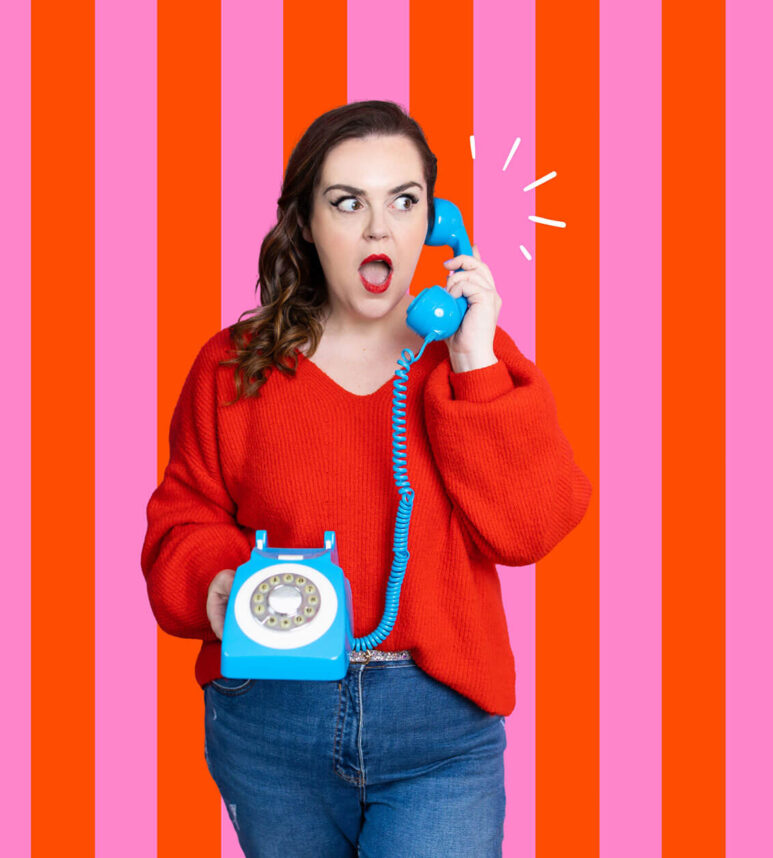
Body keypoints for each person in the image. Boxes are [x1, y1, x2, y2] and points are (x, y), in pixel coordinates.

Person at [140, 100, 591, 857]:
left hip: (437, 725)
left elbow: (530, 529)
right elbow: (179, 525)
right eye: (348, 203)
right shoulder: (231, 364)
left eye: (404, 203)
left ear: (433, 223)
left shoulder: (471, 359)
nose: (380, 230)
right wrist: (220, 587)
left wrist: (474, 364)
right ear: (307, 224)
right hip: (269, 717)